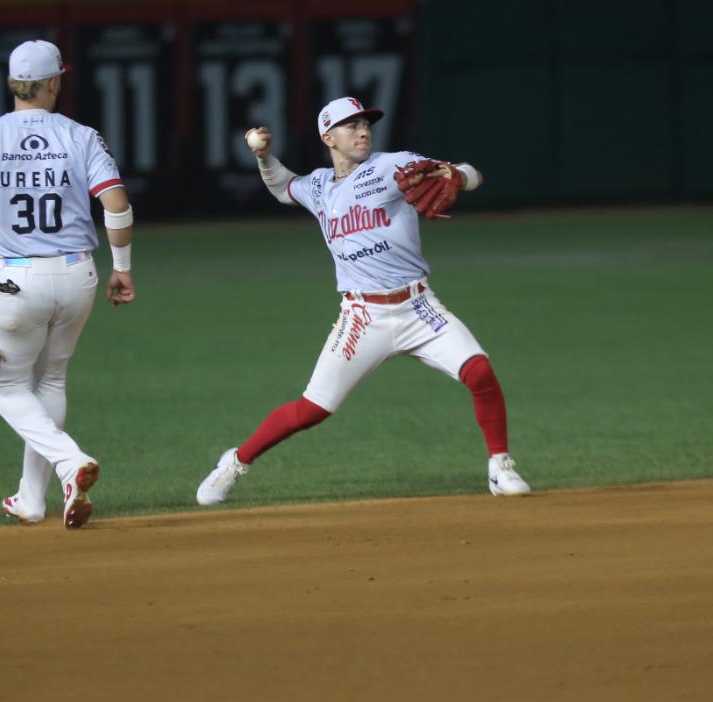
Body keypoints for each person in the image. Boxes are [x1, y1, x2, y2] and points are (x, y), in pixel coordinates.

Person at [195, 95, 530, 506]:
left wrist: (456, 176)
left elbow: (469, 173)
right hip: (361, 316)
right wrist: (265, 155)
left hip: (418, 307)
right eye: (351, 125)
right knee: (311, 410)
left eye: (366, 124)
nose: (362, 131)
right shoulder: (319, 186)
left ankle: (500, 465)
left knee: (479, 372)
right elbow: (283, 185)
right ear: (328, 137)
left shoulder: (392, 166)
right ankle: (235, 462)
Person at [0, 39, 136, 529]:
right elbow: (116, 205)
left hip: (16, 280)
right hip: (78, 275)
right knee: (50, 378)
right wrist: (123, 266)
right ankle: (31, 499)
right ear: (54, 82)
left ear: (15, 83)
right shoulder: (83, 137)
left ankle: (68, 461)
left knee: (4, 387)